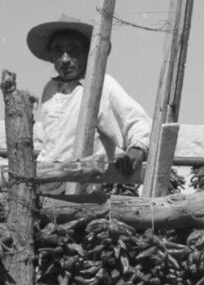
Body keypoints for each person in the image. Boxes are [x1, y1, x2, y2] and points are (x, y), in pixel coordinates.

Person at [25, 16, 151, 188]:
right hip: (46, 180)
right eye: (59, 51)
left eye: (73, 51)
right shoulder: (50, 89)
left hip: (83, 184)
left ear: (88, 53)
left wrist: (137, 149)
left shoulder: (101, 85)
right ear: (51, 55)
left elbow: (137, 121)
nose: (65, 59)